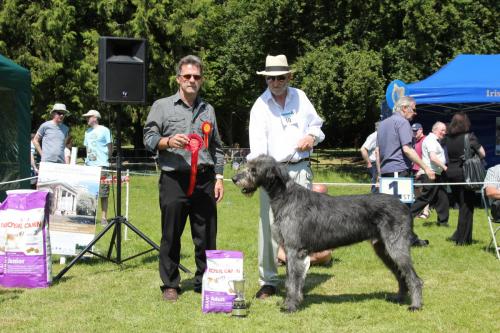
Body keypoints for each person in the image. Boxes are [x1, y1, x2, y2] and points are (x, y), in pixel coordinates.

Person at [143, 55, 224, 302]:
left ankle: (206, 281)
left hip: (204, 180)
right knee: (171, 234)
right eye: (187, 76)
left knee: (206, 235)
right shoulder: (162, 105)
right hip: (173, 180)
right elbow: (148, 138)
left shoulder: (208, 109)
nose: (191, 80)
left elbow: (217, 148)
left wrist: (219, 177)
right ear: (178, 78)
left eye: (196, 77)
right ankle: (170, 283)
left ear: (201, 80)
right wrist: (166, 142)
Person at [247, 54, 325, 299]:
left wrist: (311, 137)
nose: (276, 82)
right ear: (266, 79)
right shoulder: (260, 106)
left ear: (289, 77)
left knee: (302, 227)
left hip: (300, 169)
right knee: (269, 226)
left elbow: (317, 126)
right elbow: (257, 150)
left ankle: (298, 279)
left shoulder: (300, 97)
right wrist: (263, 175)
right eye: (271, 78)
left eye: (280, 77)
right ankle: (268, 280)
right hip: (272, 174)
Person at [376, 95, 435, 247]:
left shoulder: (382, 124)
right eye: (413, 109)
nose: (415, 113)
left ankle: (406, 238)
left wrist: (378, 173)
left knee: (391, 209)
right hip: (398, 170)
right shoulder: (402, 122)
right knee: (401, 209)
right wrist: (426, 167)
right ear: (404, 108)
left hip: (386, 171)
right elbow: (407, 149)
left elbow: (378, 151)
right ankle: (403, 240)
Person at [444, 112, 485, 245]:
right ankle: (463, 240)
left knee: (461, 205)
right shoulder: (470, 137)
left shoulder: (448, 138)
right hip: (465, 173)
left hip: (451, 173)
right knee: (467, 206)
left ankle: (459, 234)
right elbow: (482, 153)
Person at [410, 122, 449, 227]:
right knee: (425, 198)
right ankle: (407, 216)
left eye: (445, 130)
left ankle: (443, 222)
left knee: (442, 197)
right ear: (435, 129)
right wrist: (445, 168)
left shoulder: (435, 140)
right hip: (430, 173)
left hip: (437, 173)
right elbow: (433, 157)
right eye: (442, 130)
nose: (444, 133)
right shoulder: (431, 140)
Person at [83, 110, 113, 226]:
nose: (87, 119)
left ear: (95, 118)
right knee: (90, 193)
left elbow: (110, 147)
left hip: (102, 165)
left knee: (104, 193)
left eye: (88, 117)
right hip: (89, 166)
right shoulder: (87, 132)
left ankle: (104, 217)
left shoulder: (105, 130)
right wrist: (87, 161)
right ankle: (90, 216)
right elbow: (87, 148)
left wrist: (106, 160)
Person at [411, 123, 431, 218]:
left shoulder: (426, 140)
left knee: (424, 192)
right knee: (416, 191)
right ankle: (419, 210)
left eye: (416, 131)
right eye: (413, 131)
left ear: (421, 130)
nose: (414, 133)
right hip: (414, 169)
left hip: (423, 170)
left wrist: (421, 169)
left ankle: (426, 212)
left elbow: (427, 157)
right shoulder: (414, 141)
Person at [360, 122, 379, 193]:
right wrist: (368, 163)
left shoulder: (380, 135)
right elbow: (363, 149)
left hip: (378, 163)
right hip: (374, 164)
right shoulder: (374, 136)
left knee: (379, 185)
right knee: (375, 186)